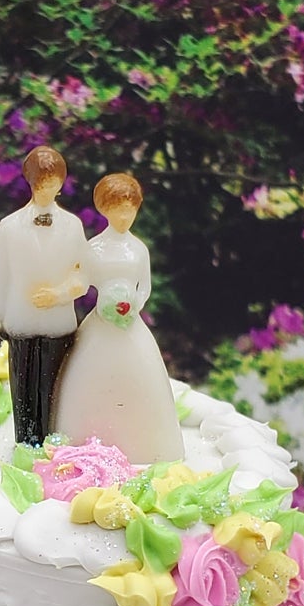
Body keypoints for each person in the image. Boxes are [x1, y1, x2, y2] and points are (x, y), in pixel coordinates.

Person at [50, 172, 184, 464]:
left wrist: (134, 303)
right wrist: (58, 294)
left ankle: (149, 448)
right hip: (100, 325)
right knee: (87, 377)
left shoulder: (138, 249)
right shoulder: (92, 249)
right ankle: (80, 440)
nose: (125, 216)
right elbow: (81, 282)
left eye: (130, 210)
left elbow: (144, 286)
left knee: (142, 378)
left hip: (131, 324)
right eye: (118, 209)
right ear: (104, 209)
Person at [0, 143, 87, 444]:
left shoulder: (73, 226)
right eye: (42, 183)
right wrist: (2, 317)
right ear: (31, 183)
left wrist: (60, 294)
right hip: (20, 319)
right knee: (22, 386)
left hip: (58, 322)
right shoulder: (10, 228)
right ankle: (24, 442)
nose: (48, 190)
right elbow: (1, 276)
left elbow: (83, 274)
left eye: (54, 183)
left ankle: (51, 442)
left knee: (54, 386)